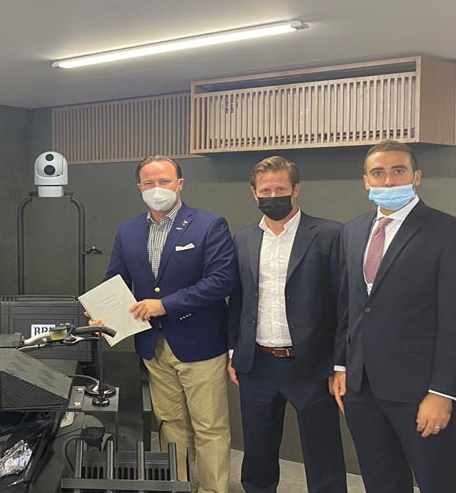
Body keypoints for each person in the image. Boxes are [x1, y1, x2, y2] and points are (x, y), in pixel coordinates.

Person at [91, 155, 236, 492]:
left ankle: (213, 489)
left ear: (180, 184)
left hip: (200, 344)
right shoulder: (128, 230)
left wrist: (165, 305)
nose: (157, 189)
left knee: (210, 427)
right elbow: (116, 281)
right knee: (170, 424)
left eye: (165, 181)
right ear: (139, 187)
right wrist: (104, 312)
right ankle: (178, 486)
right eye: (149, 183)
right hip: (153, 345)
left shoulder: (209, 225)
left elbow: (221, 281)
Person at [331, 140, 456, 492]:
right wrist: (342, 365)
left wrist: (443, 392)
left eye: (398, 171)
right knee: (380, 480)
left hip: (420, 390)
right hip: (361, 388)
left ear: (416, 176)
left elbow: (452, 318)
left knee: (437, 481)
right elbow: (349, 305)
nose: (388, 181)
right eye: (378, 173)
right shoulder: (352, 231)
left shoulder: (446, 232)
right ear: (366, 181)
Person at [227, 156, 346, 492]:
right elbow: (238, 298)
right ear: (254, 193)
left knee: (323, 451)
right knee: (257, 451)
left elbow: (344, 303)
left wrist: (340, 362)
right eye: (266, 190)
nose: (273, 196)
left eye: (280, 189)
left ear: (296, 190)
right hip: (258, 362)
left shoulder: (330, 234)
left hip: (312, 364)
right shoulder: (243, 239)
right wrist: (234, 350)